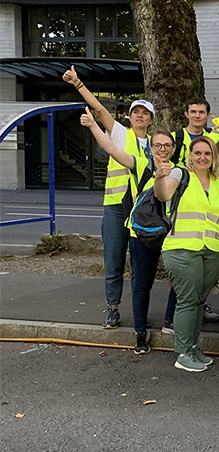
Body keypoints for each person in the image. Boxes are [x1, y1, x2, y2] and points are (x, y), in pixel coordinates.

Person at [80, 109, 177, 354]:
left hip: (172, 234)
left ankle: (169, 319)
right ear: (151, 147)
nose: (162, 149)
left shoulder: (179, 171)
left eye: (167, 145)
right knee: (141, 283)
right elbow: (111, 149)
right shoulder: (141, 164)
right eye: (158, 145)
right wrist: (93, 126)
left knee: (177, 279)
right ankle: (140, 334)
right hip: (143, 233)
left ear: (174, 148)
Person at [63, 66, 151, 329]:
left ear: (150, 119)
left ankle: (139, 311)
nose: (139, 116)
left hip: (140, 211)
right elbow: (100, 110)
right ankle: (112, 308)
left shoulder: (158, 142)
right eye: (136, 112)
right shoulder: (119, 132)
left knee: (139, 266)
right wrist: (78, 84)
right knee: (113, 261)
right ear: (130, 116)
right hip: (115, 207)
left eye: (144, 113)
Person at [153, 135, 219, 373]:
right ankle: (183, 352)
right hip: (182, 249)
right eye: (197, 153)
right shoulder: (179, 174)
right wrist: (158, 177)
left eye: (207, 153)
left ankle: (193, 347)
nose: (202, 157)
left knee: (198, 301)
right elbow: (163, 194)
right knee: (187, 301)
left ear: (214, 157)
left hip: (212, 251)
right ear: (190, 156)